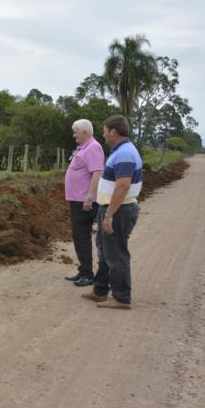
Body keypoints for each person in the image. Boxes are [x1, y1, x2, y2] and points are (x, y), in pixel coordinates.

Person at [82, 115, 142, 309]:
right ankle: (100, 290)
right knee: (105, 251)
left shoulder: (124, 154)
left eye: (105, 130)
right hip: (111, 208)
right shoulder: (121, 151)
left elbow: (123, 186)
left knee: (116, 255)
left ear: (113, 132)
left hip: (118, 210)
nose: (103, 134)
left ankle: (121, 298)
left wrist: (109, 215)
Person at [63, 119, 104, 286]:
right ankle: (84, 270)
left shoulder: (93, 147)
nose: (74, 135)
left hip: (84, 201)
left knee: (82, 237)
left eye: (76, 132)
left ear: (85, 132)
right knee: (79, 237)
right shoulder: (84, 148)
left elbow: (97, 173)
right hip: (77, 200)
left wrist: (89, 196)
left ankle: (87, 275)